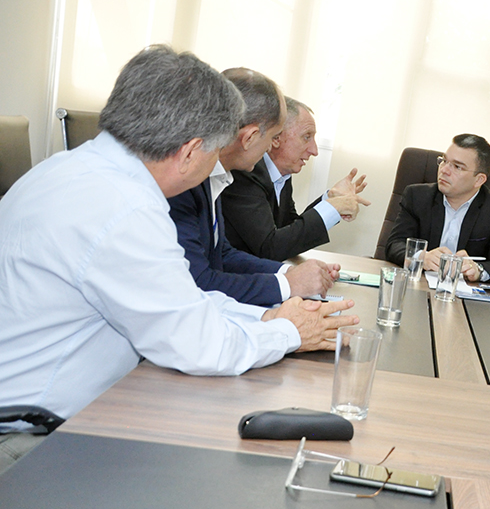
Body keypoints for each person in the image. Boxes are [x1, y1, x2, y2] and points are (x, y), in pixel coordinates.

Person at [0, 46, 358, 472]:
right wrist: (289, 331)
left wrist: (265, 319)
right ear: (190, 152)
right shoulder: (123, 209)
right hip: (30, 441)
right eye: (215, 151)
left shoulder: (67, 171)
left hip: (69, 410)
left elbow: (178, 299)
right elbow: (199, 347)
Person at [168, 69, 337, 306]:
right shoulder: (184, 180)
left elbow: (222, 253)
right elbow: (198, 281)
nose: (270, 148)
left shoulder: (215, 173)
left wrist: (288, 273)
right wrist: (289, 284)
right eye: (272, 137)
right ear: (249, 137)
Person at [220, 97, 370, 261]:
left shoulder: (281, 174)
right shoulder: (245, 173)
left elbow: (290, 232)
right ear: (276, 138)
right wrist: (331, 208)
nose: (314, 150)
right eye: (306, 137)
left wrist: (330, 199)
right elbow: (270, 248)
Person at [382, 134, 490, 284]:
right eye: (444, 161)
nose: (444, 170)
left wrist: (478, 270)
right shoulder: (417, 197)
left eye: (457, 167)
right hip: (418, 285)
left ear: (479, 179)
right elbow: (394, 245)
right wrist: (421, 257)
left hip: (465, 294)